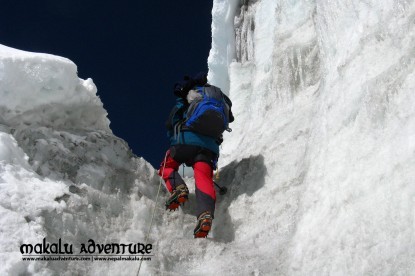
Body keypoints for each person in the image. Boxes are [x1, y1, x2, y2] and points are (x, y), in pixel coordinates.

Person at [158, 72, 234, 238]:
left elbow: (171, 122)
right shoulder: (218, 98)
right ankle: (205, 215)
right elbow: (230, 119)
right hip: (209, 149)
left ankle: (178, 188)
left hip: (187, 140)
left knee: (167, 165)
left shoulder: (188, 96)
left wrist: (174, 138)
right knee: (203, 177)